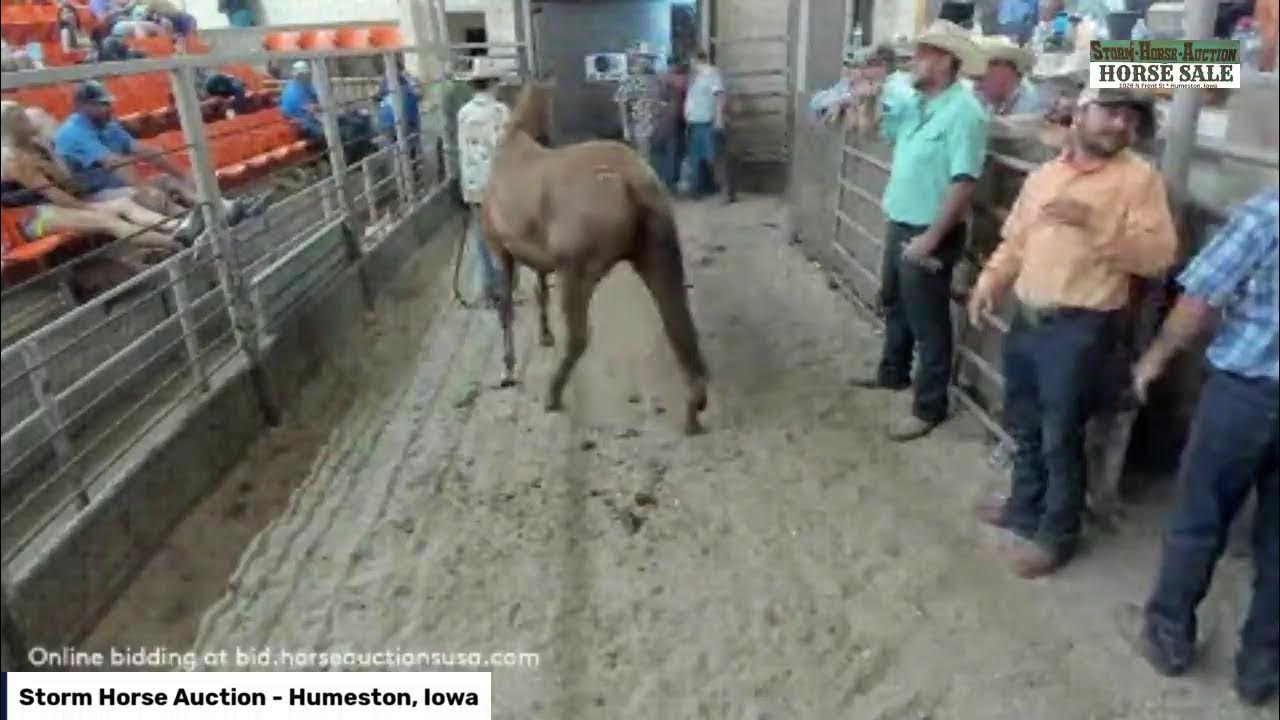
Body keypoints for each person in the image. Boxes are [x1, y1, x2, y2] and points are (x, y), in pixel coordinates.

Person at [967, 87, 1177, 578]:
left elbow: (1158, 256)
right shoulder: (1046, 175)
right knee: (1023, 419)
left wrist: (1096, 223)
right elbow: (1017, 240)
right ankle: (1023, 506)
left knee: (1061, 434)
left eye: (1129, 117)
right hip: (1030, 314)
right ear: (1080, 115)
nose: (1120, 124)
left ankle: (1056, 535)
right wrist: (990, 281)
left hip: (1082, 326)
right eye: (1110, 112)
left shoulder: (1138, 179)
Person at [1127, 187, 1278, 706]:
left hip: (1245, 394)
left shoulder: (1265, 214)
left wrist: (1157, 356)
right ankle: (1261, 666)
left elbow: (1200, 299)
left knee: (1200, 517)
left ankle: (1169, 634)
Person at [851, 20, 988, 442]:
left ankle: (929, 406)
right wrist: (869, 102)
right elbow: (872, 133)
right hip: (901, 216)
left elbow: (964, 181)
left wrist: (931, 238)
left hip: (932, 229)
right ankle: (892, 372)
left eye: (925, 53)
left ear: (946, 61)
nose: (915, 60)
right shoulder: (916, 102)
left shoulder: (965, 113)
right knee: (894, 300)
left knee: (928, 319)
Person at [3, 101, 189, 269]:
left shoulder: (36, 144)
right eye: (22, 117)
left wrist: (51, 151)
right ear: (11, 127)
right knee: (109, 220)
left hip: (58, 204)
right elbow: (54, 194)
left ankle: (180, 226)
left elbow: (65, 179)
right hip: (33, 217)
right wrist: (92, 208)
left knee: (124, 204)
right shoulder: (12, 158)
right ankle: (181, 244)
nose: (29, 118)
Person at [54, 80, 256, 227]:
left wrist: (182, 175)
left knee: (169, 180)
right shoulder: (74, 132)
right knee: (145, 194)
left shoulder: (107, 125)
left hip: (116, 185)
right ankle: (193, 225)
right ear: (82, 107)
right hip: (91, 195)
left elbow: (145, 151)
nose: (108, 109)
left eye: (108, 103)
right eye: (100, 104)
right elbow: (115, 163)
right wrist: (143, 188)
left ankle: (222, 208)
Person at [456, 58, 510, 307]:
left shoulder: (464, 112)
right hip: (499, 185)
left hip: (474, 185)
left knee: (482, 239)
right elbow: (504, 147)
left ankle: (488, 292)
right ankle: (503, 290)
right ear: (491, 83)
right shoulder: (500, 112)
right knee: (503, 238)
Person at [681, 50, 734, 204]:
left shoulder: (711, 74)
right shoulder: (694, 77)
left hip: (707, 122)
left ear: (698, 60)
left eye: (692, 61)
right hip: (695, 123)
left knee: (715, 158)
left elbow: (720, 97)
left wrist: (718, 119)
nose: (690, 64)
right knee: (695, 158)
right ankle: (696, 190)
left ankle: (726, 192)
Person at [614, 44, 666, 175]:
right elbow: (622, 103)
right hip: (640, 123)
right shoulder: (630, 80)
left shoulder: (656, 79)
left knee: (656, 158)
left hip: (657, 122)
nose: (646, 61)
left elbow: (661, 99)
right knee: (643, 158)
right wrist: (625, 127)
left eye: (648, 58)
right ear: (636, 59)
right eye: (643, 58)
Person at [975, 36, 1047, 117]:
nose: (977, 86)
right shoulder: (998, 102)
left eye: (980, 78)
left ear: (1004, 73)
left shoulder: (1030, 109)